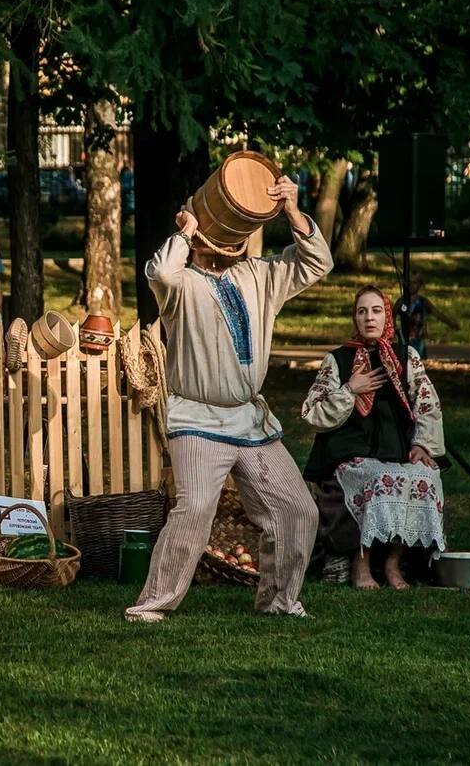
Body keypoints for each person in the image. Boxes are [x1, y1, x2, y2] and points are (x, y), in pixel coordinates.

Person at [124, 175, 332, 623]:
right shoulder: (178, 287)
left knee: (297, 510)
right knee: (195, 509)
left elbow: (317, 264)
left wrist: (293, 210)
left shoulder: (258, 276)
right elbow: (159, 271)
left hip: (250, 420)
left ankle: (279, 601)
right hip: (197, 418)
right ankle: (152, 605)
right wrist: (185, 230)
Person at [301, 286, 448, 590]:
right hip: (351, 450)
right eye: (362, 311)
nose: (370, 318)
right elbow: (312, 412)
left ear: (387, 316)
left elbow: (427, 403)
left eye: (377, 310)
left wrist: (422, 444)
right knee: (378, 478)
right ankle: (361, 562)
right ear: (355, 318)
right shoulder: (338, 360)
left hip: (396, 450)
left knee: (426, 477)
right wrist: (350, 389)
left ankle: (394, 562)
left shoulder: (405, 357)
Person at [395, 271, 459, 358]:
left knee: (418, 363)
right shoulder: (401, 301)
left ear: (420, 285)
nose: (411, 285)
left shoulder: (423, 302)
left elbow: (437, 314)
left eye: (414, 282)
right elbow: (392, 315)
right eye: (409, 282)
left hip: (419, 339)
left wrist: (451, 323)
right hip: (404, 340)